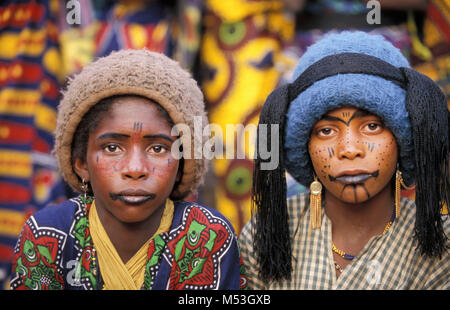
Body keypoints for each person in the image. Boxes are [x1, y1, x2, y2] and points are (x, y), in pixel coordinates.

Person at [10, 49, 245, 290]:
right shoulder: (46, 236)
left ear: (183, 163)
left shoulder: (207, 236)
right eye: (112, 147)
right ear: (81, 164)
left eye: (157, 149)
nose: (135, 169)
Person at [239, 31, 449, 289]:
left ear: (402, 139)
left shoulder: (443, 244)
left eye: (372, 126)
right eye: (326, 131)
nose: (349, 149)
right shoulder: (263, 236)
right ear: (305, 147)